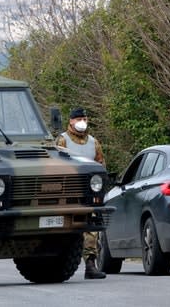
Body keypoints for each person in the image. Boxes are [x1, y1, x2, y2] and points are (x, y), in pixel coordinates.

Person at [56, 107, 106, 279]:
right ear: (71, 121)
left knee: (91, 228)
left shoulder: (94, 142)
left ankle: (90, 265)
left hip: (89, 192)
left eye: (84, 118)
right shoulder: (62, 141)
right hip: (68, 193)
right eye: (78, 119)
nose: (82, 122)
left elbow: (100, 166)